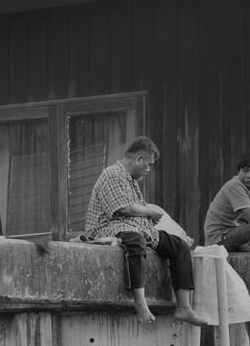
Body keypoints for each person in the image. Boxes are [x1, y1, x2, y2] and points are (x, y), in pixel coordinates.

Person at [85, 136, 207, 326]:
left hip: (135, 228)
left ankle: (184, 307)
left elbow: (135, 212)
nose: (148, 170)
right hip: (108, 227)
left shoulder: (130, 181)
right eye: (148, 165)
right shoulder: (112, 174)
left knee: (179, 246)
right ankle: (140, 303)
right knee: (135, 242)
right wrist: (150, 211)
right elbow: (122, 209)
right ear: (139, 159)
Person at [204, 152, 250, 251]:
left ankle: (245, 247)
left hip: (238, 233)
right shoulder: (234, 186)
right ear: (239, 171)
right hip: (220, 238)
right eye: (245, 171)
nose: (249, 175)